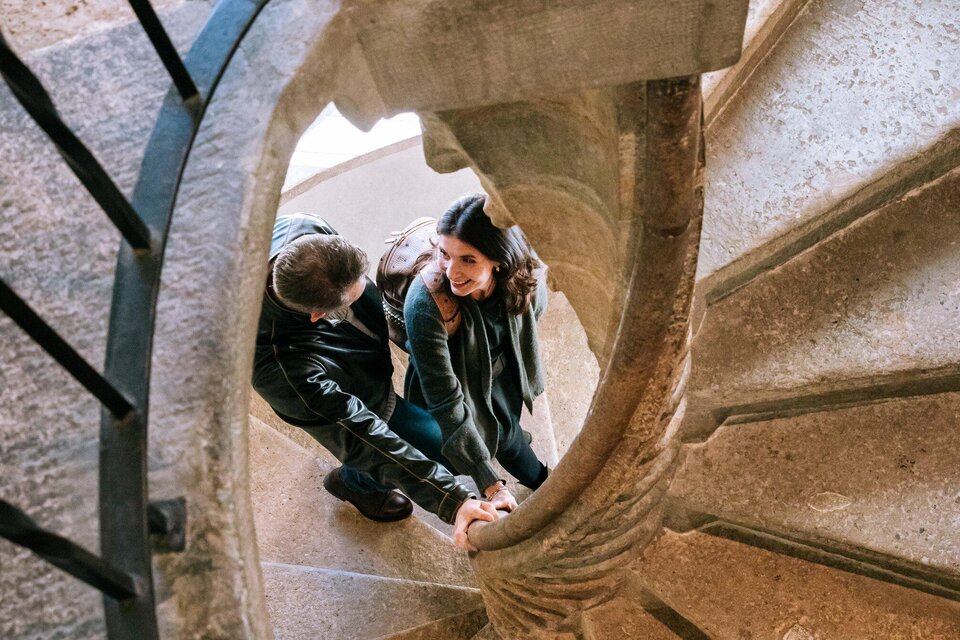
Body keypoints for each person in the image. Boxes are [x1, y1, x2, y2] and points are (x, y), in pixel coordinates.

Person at [252, 212, 499, 550]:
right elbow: (362, 436)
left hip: (366, 368)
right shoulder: (284, 373)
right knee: (445, 452)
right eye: (350, 303)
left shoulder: (305, 227)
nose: (366, 291)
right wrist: (453, 500)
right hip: (363, 401)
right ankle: (355, 483)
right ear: (318, 316)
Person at [403, 194, 550, 511]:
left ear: (500, 260)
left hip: (499, 374)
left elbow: (534, 315)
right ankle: (356, 480)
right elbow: (444, 399)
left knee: (505, 431)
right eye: (444, 253)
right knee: (433, 454)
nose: (452, 271)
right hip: (450, 380)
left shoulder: (523, 275)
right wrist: (489, 483)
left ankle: (542, 480)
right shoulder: (425, 304)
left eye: (468, 259)